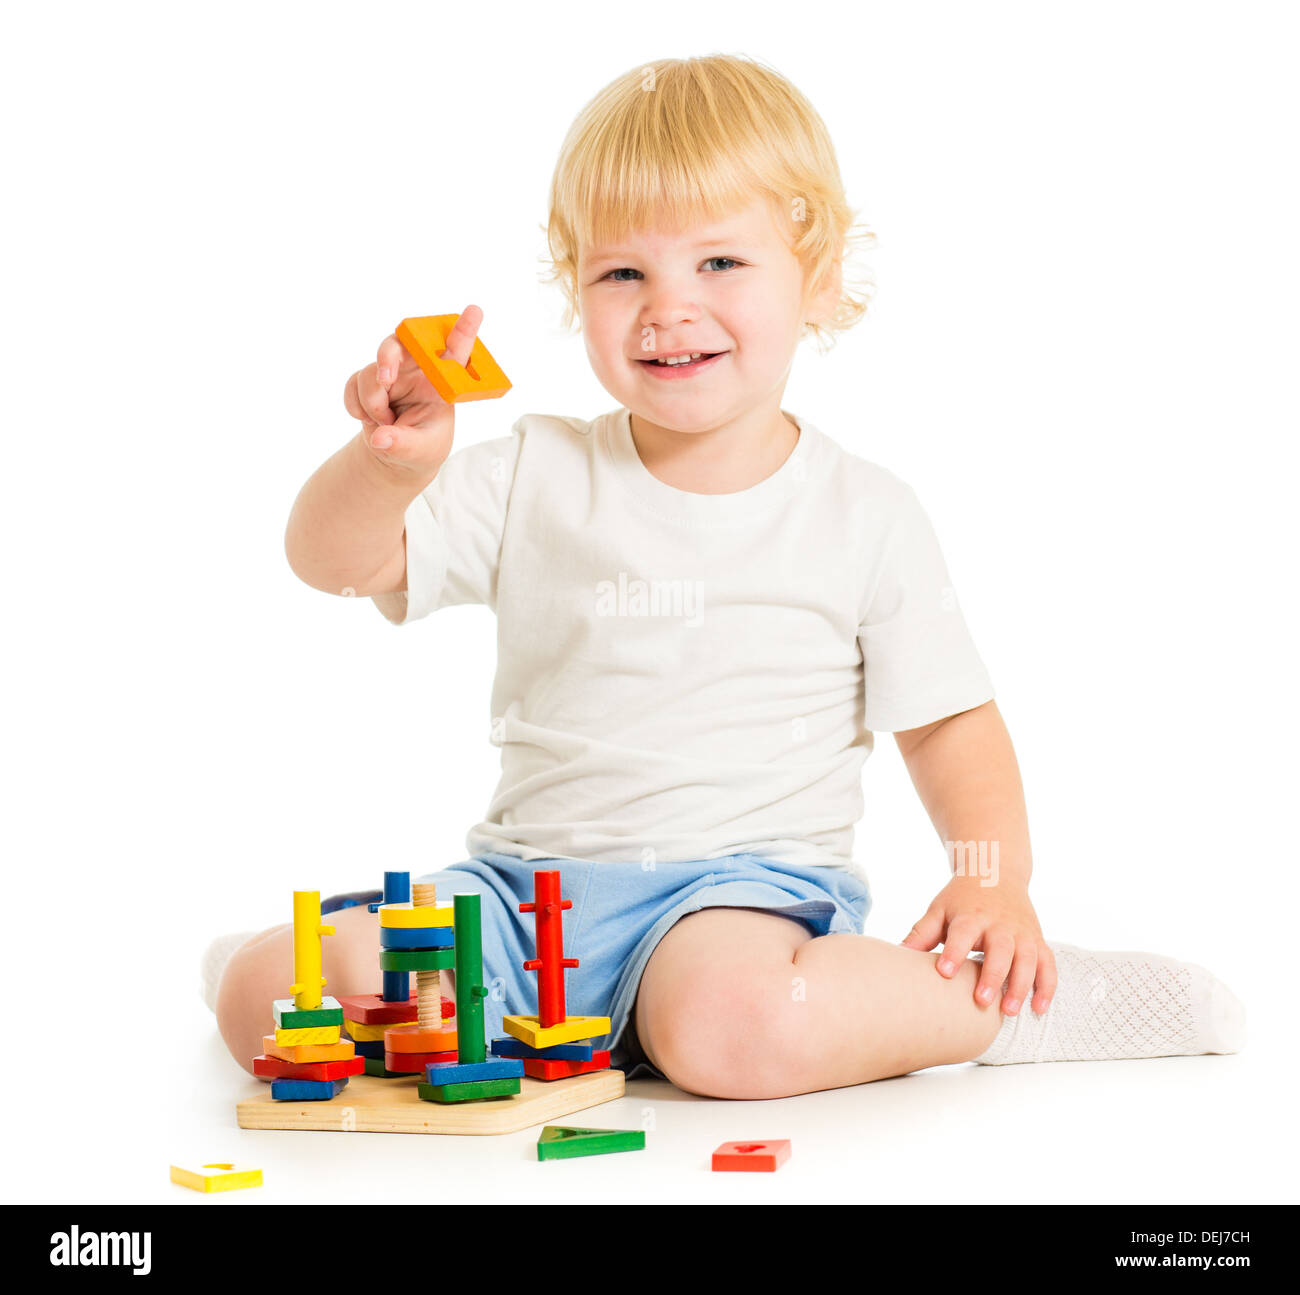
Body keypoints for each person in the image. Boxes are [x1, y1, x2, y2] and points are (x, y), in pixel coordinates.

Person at [207, 54, 1245, 1098]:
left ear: (821, 278)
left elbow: (947, 722)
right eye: (624, 274)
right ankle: (356, 970)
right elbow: (334, 565)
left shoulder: (862, 512)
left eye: (719, 263)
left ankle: (993, 1004)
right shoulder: (537, 468)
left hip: (737, 905)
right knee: (265, 996)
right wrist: (386, 467)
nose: (668, 308)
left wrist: (993, 880)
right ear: (576, 288)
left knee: (728, 1024)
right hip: (522, 906)